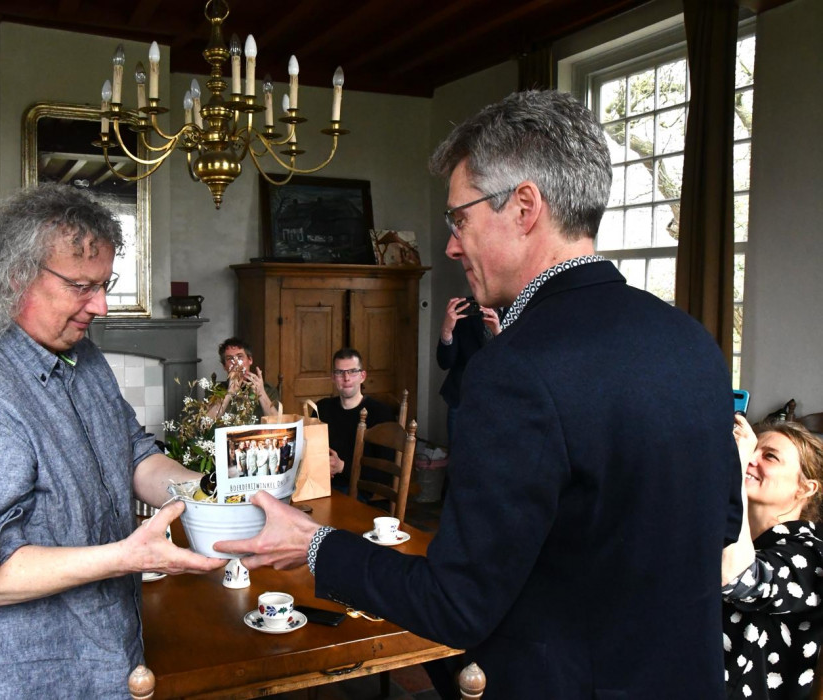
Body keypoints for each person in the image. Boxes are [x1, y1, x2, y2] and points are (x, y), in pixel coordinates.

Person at [217, 90, 742, 699]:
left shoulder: (516, 367)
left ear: (524, 207)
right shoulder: (692, 341)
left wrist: (313, 545)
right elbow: (721, 523)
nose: (451, 245)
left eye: (459, 218)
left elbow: (455, 605)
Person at [0, 184, 223, 698]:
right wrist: (129, 556)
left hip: (97, 656)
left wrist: (216, 495)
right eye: (82, 286)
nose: (102, 306)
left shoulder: (81, 357)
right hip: (6, 678)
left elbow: (131, 453)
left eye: (104, 284)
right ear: (16, 277)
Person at [722, 417, 823, 700]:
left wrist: (737, 469)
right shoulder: (723, 537)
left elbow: (739, 579)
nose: (751, 458)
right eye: (750, 450)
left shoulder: (810, 552)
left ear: (805, 488)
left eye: (769, 456)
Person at [314, 348, 393, 492]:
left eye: (352, 371)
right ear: (333, 377)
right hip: (319, 484)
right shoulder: (321, 408)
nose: (346, 378)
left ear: (362, 376)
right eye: (340, 372)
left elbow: (385, 473)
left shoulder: (381, 413)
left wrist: (342, 467)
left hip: (358, 490)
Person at [436, 296, 500, 443]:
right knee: (458, 459)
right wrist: (447, 329)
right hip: (462, 398)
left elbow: (516, 364)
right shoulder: (466, 308)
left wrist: (498, 333)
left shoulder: (520, 308)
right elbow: (445, 362)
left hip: (500, 402)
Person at [208, 338, 279, 420]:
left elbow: (277, 423)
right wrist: (229, 393)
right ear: (224, 366)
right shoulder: (215, 390)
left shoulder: (267, 390)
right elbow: (206, 424)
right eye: (230, 358)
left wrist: (261, 393)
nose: (235, 362)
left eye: (240, 357)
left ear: (250, 360)